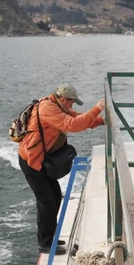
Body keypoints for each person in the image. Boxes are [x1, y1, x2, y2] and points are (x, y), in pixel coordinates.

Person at [18, 83, 105, 254]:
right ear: (65, 99)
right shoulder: (48, 109)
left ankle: (51, 236)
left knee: (55, 197)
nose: (72, 105)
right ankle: (45, 243)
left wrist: (100, 121)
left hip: (41, 160)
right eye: (72, 102)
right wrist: (97, 109)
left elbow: (78, 118)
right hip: (31, 162)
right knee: (46, 202)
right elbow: (72, 125)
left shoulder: (57, 106)